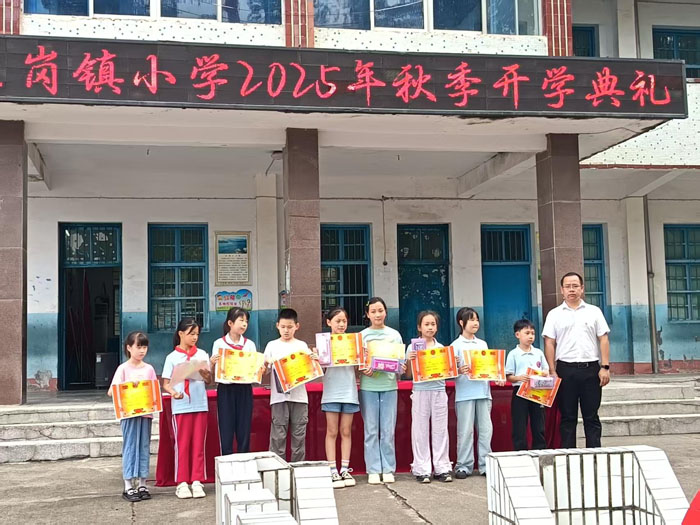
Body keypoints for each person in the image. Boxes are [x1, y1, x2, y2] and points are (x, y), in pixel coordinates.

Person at [543, 271, 611, 448]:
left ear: (582, 288)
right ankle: (568, 455)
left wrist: (605, 367)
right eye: (567, 286)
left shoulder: (594, 312)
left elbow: (603, 338)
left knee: (591, 416)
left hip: (591, 370)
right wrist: (552, 370)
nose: (571, 290)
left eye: (575, 286)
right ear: (562, 290)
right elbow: (549, 342)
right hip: (565, 370)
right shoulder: (554, 314)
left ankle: (594, 454)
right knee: (567, 417)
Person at [162, 318, 213, 499]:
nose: (194, 337)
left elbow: (209, 381)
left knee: (199, 444)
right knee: (182, 445)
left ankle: (197, 480)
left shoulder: (202, 354)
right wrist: (173, 393)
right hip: (181, 405)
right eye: (191, 334)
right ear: (181, 334)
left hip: (199, 403)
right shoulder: (172, 357)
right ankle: (182, 482)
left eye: (197, 334)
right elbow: (166, 383)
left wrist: (206, 374)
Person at [359, 297, 404, 485]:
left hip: (389, 386)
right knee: (371, 429)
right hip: (368, 387)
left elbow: (401, 363)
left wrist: (400, 367)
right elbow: (358, 362)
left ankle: (388, 468)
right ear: (367, 314)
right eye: (373, 311)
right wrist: (363, 369)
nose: (377, 314)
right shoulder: (362, 336)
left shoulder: (394, 335)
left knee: (387, 430)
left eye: (380, 310)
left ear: (386, 312)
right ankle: (373, 469)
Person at [108, 331, 157, 502]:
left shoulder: (149, 369)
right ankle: (128, 485)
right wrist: (129, 387)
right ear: (129, 348)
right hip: (128, 415)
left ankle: (143, 483)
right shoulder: (123, 369)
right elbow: (111, 391)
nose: (142, 350)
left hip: (145, 414)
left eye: (144, 347)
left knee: (144, 446)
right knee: (130, 446)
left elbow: (154, 391)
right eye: (138, 347)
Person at [405, 311, 452, 483]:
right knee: (420, 430)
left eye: (433, 324)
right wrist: (409, 360)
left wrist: (451, 364)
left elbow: (448, 373)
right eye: (426, 324)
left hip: (439, 390)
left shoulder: (441, 349)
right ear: (419, 327)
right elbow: (408, 375)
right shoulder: (412, 347)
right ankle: (422, 469)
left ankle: (442, 468)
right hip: (420, 391)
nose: (430, 327)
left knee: (440, 430)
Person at [452, 307, 500, 478]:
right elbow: (449, 373)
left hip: (483, 392)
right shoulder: (455, 346)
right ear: (461, 322)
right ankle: (463, 465)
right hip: (465, 393)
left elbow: (489, 367)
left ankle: (485, 465)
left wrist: (496, 373)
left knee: (486, 430)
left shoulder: (482, 344)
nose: (475, 323)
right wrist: (459, 370)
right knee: (465, 431)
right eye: (471, 319)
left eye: (477, 320)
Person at [263, 308, 313, 462]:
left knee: (299, 437)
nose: (286, 330)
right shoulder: (272, 345)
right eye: (283, 326)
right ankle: (277, 469)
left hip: (299, 397)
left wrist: (314, 361)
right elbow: (264, 372)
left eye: (290, 327)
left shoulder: (302, 346)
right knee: (278, 436)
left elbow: (310, 372)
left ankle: (298, 469)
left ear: (297, 326)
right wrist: (265, 363)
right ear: (277, 325)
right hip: (278, 398)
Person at [210, 307, 259, 456]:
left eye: (246, 321)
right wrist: (212, 363)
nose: (244, 324)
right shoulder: (219, 344)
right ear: (230, 323)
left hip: (244, 389)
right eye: (241, 320)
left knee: (244, 427)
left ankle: (244, 460)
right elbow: (214, 371)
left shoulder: (249, 345)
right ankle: (226, 460)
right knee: (226, 427)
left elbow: (254, 368)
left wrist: (259, 369)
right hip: (226, 389)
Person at [321, 307, 358, 489]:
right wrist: (316, 358)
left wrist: (362, 354)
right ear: (329, 322)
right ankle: (332, 470)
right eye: (337, 321)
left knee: (346, 431)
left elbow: (359, 365)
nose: (341, 324)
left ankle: (344, 469)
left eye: (344, 321)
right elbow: (319, 369)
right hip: (331, 392)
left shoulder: (353, 342)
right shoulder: (324, 343)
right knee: (332, 431)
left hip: (349, 391)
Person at [505, 319, 549, 451]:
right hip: (520, 390)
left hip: (537, 390)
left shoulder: (538, 353)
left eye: (533, 333)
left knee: (538, 423)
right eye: (527, 333)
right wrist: (518, 378)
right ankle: (520, 451)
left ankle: (540, 449)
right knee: (519, 424)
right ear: (517, 335)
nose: (530, 336)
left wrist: (543, 373)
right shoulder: (513, 354)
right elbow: (509, 376)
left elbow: (546, 370)